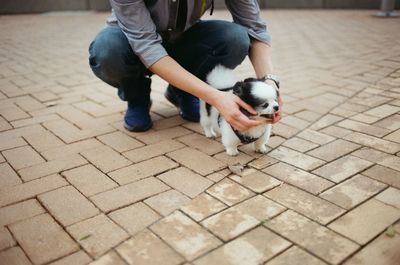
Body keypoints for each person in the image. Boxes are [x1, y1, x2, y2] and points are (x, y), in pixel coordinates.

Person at [89, 0, 281, 132]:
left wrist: (270, 83)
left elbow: (254, 28)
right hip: (130, 41)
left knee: (236, 39)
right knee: (107, 49)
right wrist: (215, 97)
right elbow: (147, 46)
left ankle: (181, 91)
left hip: (182, 37)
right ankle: (136, 95)